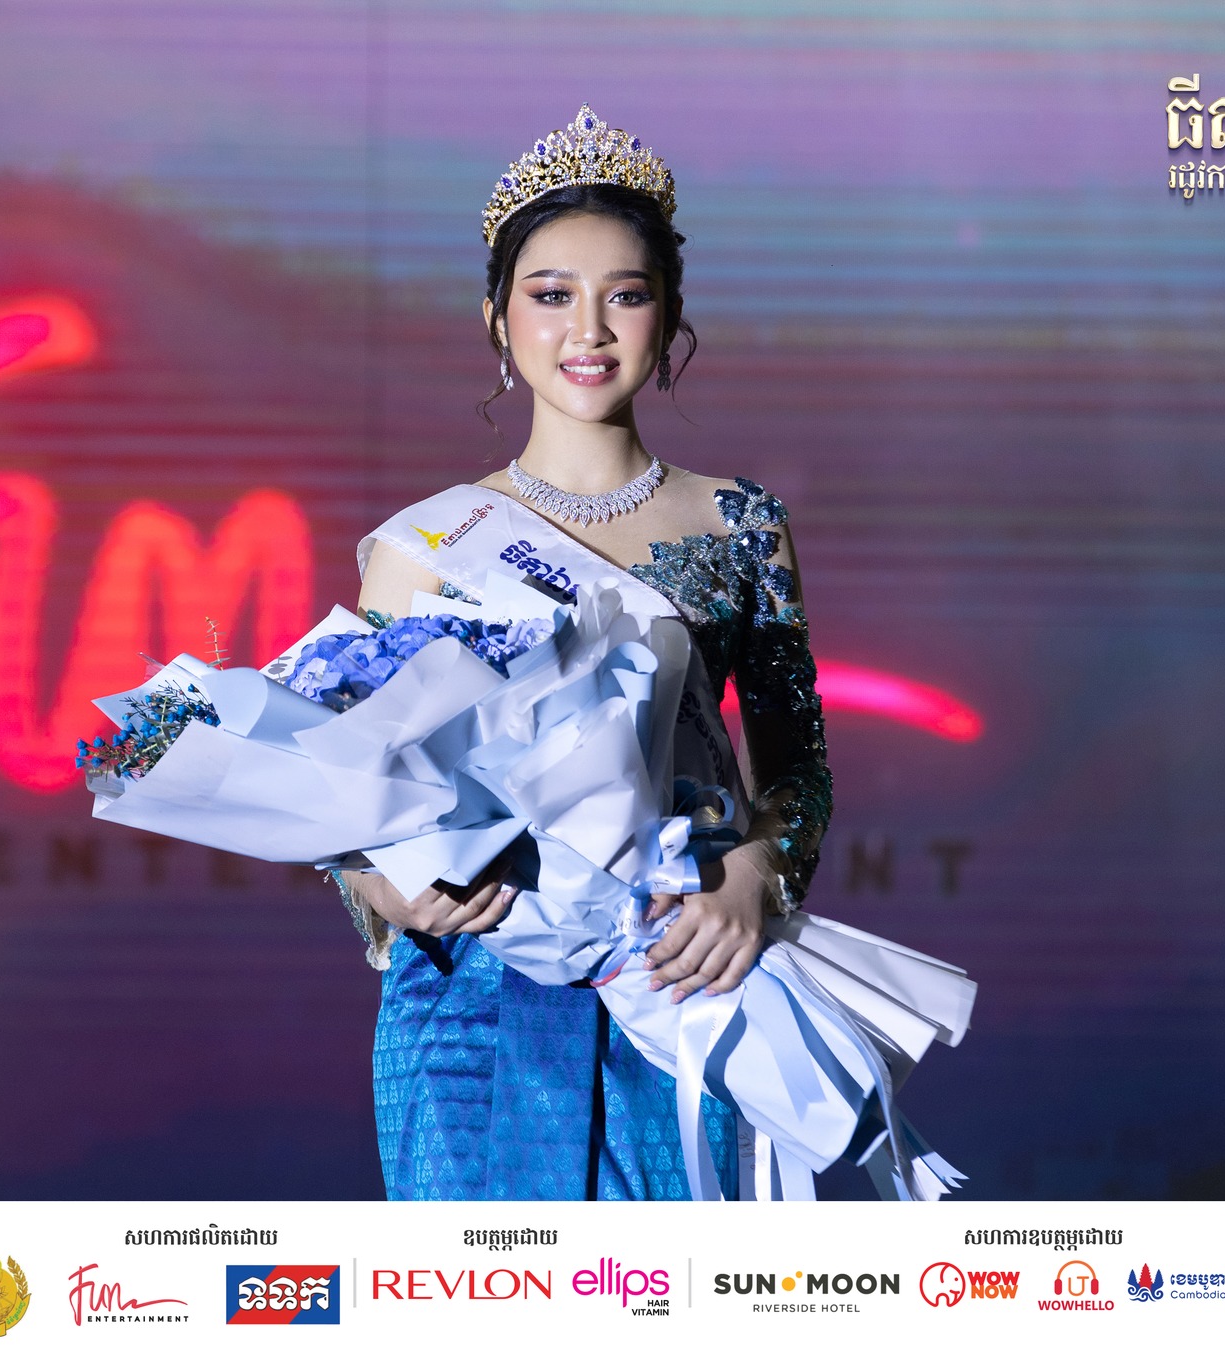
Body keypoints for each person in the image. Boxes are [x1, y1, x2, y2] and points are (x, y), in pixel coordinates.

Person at [334, 107, 831, 1200]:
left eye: (626, 294)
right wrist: (390, 890)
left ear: (670, 315)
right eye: (551, 294)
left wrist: (756, 875)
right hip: (477, 993)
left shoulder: (740, 523)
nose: (588, 329)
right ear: (497, 319)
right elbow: (349, 795)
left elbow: (797, 764)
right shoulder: (427, 546)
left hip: (683, 969)